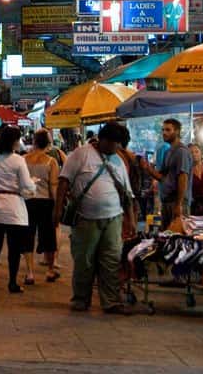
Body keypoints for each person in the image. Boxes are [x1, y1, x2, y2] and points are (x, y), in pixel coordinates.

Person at [55, 122, 136, 314]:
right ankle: (81, 299)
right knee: (85, 260)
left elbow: (127, 193)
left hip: (114, 218)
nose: (117, 149)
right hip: (86, 218)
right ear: (104, 139)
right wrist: (57, 210)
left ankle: (111, 301)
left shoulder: (118, 160)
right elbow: (63, 182)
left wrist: (130, 219)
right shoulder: (81, 154)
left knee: (111, 260)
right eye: (115, 144)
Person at [0, 126, 36, 294]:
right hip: (14, 210)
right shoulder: (18, 160)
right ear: (14, 142)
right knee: (14, 249)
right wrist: (33, 182)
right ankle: (12, 283)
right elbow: (26, 185)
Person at [22, 129, 60, 284]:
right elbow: (53, 187)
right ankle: (50, 270)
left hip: (27, 202)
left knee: (28, 236)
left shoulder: (23, 159)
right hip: (46, 203)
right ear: (48, 144)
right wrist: (57, 206)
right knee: (49, 237)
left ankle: (30, 273)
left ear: (34, 141)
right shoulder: (51, 162)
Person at [141, 118, 193, 231]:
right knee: (167, 235)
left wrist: (178, 204)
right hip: (167, 201)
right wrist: (148, 168)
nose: (164, 132)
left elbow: (183, 178)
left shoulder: (181, 152)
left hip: (177, 202)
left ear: (177, 132)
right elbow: (162, 177)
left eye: (168, 130)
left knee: (178, 236)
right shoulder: (168, 151)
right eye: (163, 130)